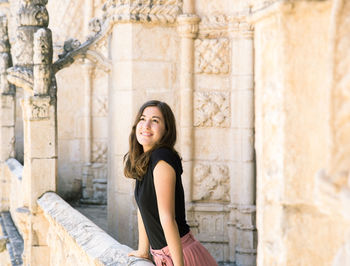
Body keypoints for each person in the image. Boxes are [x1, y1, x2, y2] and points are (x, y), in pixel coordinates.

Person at [124, 100, 217, 266]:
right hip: (164, 256)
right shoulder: (145, 160)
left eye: (155, 121)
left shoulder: (162, 159)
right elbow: (143, 208)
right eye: (142, 118)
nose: (146, 125)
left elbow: (167, 218)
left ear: (166, 130)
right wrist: (143, 250)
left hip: (181, 256)